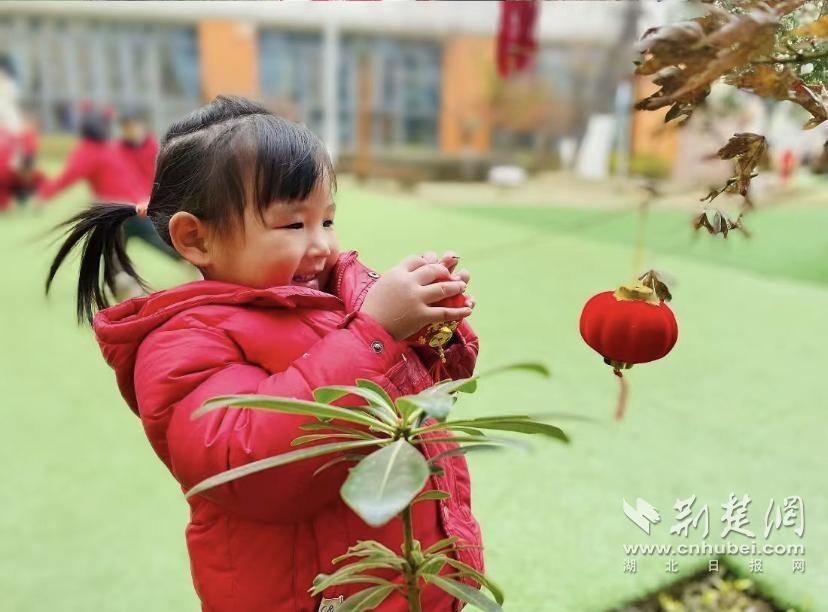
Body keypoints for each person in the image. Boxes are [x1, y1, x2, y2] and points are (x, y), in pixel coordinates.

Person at [45, 96, 482, 612]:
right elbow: (254, 468)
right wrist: (376, 332)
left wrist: (433, 321)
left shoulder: (338, 294)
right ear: (196, 238)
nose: (321, 245)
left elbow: (431, 386)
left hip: (409, 582)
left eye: (328, 220)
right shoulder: (182, 341)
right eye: (294, 225)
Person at [37, 103, 179, 297]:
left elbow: (68, 177)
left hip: (120, 211)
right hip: (137, 207)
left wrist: (43, 194)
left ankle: (123, 283)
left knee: (115, 250)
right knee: (132, 247)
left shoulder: (90, 152)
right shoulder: (111, 149)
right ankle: (124, 281)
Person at [117, 106, 159, 196]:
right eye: (126, 127)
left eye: (133, 125)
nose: (130, 130)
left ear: (142, 125)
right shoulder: (117, 150)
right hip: (126, 200)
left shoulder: (156, 148)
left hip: (151, 199)